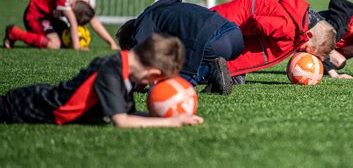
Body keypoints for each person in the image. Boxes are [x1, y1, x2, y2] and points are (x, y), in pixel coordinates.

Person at [0, 34, 203, 127]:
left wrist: (164, 118)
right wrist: (170, 123)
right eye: (158, 80)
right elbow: (121, 121)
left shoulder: (127, 71)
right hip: (22, 106)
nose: (154, 85)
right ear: (151, 72)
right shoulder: (110, 71)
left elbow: (128, 113)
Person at [115, 0, 244, 95]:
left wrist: (135, 85)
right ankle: (218, 77)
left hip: (213, 42)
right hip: (235, 36)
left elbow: (141, 57)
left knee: (170, 84)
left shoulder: (144, 21)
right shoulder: (168, 10)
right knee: (184, 53)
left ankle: (207, 71)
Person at [210, 0, 337, 83]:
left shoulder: (298, 22)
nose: (302, 52)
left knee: (233, 79)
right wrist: (236, 38)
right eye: (306, 49)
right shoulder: (289, 28)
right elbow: (258, 23)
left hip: (228, 24)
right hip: (222, 26)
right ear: (309, 35)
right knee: (203, 56)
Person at [3, 0, 119, 51]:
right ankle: (14, 33)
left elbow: (94, 21)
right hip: (35, 15)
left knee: (65, 41)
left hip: (50, 18)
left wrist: (111, 43)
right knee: (55, 44)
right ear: (72, 8)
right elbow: (73, 23)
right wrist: (77, 47)